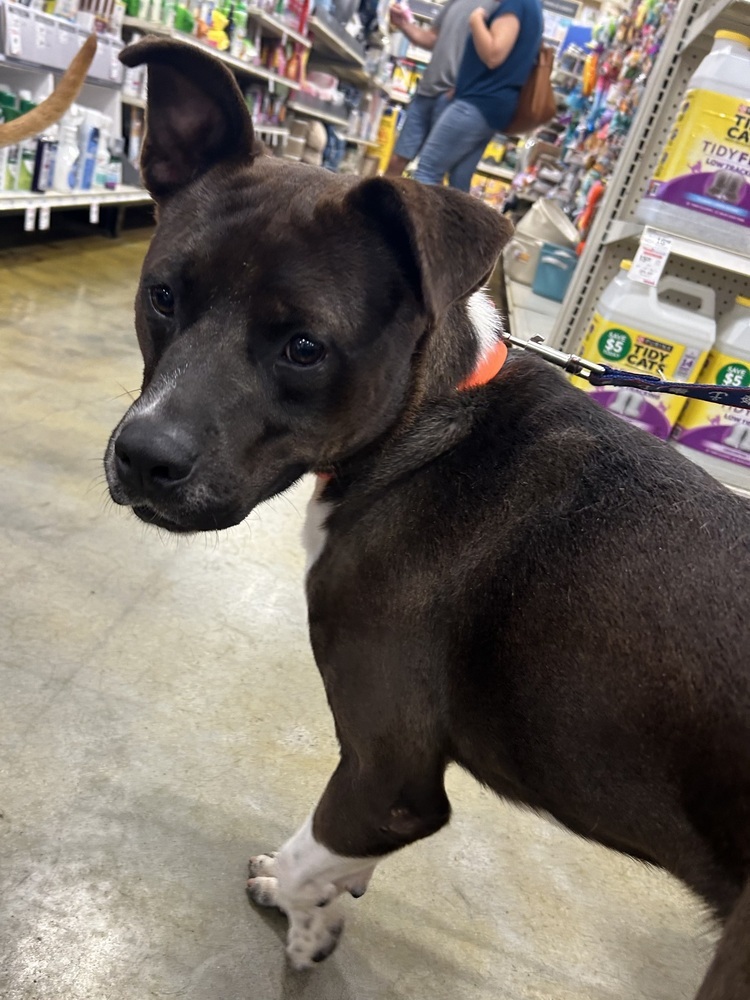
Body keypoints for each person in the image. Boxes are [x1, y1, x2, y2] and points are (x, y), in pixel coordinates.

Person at [413, 0, 543, 191]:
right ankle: (459, 221)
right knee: (459, 183)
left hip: (478, 103)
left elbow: (493, 55)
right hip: (490, 106)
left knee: (427, 172)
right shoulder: (532, 7)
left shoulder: (516, 4)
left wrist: (475, 21)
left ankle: (415, 222)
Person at [386, 0, 497, 178]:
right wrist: (403, 24)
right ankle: (377, 204)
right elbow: (432, 38)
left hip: (455, 100)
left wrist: (463, 89)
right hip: (427, 90)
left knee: (429, 172)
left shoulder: (497, 6)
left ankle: (419, 206)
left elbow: (495, 56)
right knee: (397, 161)